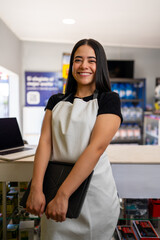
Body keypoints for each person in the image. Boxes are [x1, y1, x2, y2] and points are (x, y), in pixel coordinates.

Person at [26, 38, 123, 240]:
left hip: (94, 196)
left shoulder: (109, 100)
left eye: (91, 60)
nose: (84, 66)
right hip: (53, 191)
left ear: (100, 65)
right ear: (71, 66)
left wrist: (63, 195)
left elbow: (96, 148)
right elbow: (44, 143)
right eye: (78, 60)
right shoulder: (56, 101)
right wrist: (36, 188)